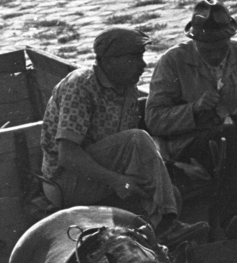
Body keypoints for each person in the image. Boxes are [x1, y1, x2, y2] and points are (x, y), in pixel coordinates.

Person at [39, 26, 205, 249]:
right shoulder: (80, 86)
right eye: (135, 58)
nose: (143, 65)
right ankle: (166, 227)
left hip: (100, 174)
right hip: (66, 182)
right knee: (137, 139)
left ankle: (158, 234)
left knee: (173, 193)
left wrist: (173, 168)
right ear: (108, 62)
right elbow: (67, 156)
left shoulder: (127, 89)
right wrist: (117, 181)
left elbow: (130, 154)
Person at [146, 0, 237, 235]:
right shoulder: (172, 62)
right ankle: (235, 216)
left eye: (222, 47)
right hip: (194, 146)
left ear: (230, 38)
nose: (215, 55)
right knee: (226, 135)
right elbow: (154, 118)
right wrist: (194, 109)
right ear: (194, 41)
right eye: (207, 49)